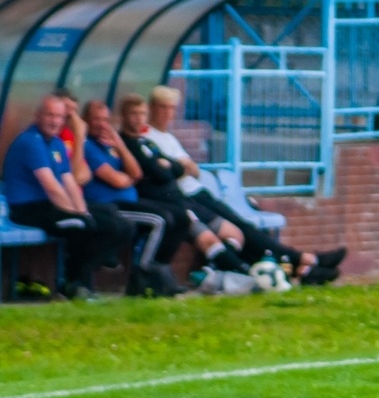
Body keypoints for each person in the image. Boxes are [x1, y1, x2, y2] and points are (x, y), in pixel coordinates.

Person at [131, 87, 344, 284]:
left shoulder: (169, 138)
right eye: (163, 107)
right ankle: (304, 261)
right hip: (184, 198)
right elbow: (170, 171)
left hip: (198, 192)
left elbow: (193, 169)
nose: (168, 113)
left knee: (245, 232)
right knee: (242, 232)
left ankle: (298, 269)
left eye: (172, 108)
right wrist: (180, 166)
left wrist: (179, 166)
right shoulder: (148, 138)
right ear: (152, 108)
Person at [82, 100, 251, 290]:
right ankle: (142, 277)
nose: (102, 124)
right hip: (111, 204)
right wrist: (133, 174)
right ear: (86, 121)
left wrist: (120, 147)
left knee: (181, 218)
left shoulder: (116, 144)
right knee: (160, 220)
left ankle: (160, 272)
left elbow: (146, 172)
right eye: (96, 119)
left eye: (105, 119)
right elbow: (125, 178)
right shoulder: (88, 146)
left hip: (149, 200)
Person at [2, 95, 131, 298]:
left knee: (119, 223)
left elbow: (68, 182)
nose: (54, 121)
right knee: (81, 225)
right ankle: (74, 284)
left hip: (50, 205)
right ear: (37, 116)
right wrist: (80, 215)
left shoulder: (57, 143)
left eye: (59, 117)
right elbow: (52, 187)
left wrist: (83, 210)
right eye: (49, 115)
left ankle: (79, 278)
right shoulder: (30, 141)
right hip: (28, 209)